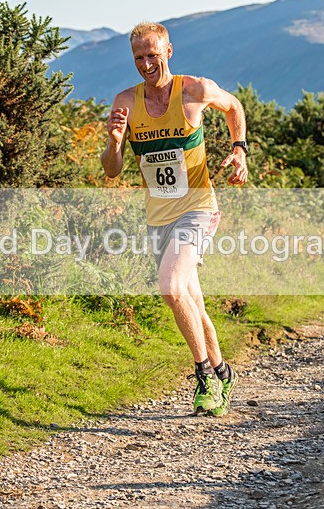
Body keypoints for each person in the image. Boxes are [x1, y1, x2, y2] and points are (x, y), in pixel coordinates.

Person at [101, 22, 247, 417]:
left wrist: (239, 149)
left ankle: (202, 377)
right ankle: (222, 371)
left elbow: (233, 106)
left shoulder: (195, 90)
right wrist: (115, 144)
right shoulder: (125, 102)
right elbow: (112, 171)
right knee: (191, 302)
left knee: (169, 287)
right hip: (158, 217)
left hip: (198, 209)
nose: (146, 64)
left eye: (153, 55)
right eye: (138, 58)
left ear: (168, 51)